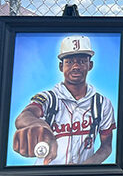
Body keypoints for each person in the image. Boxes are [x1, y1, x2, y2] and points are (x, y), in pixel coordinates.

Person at [12, 34, 115, 165]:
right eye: (70, 62)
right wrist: (43, 128)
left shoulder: (102, 103)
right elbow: (24, 116)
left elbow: (106, 147)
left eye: (82, 61)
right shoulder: (49, 98)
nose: (76, 66)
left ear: (90, 65)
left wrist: (81, 171)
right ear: (61, 66)